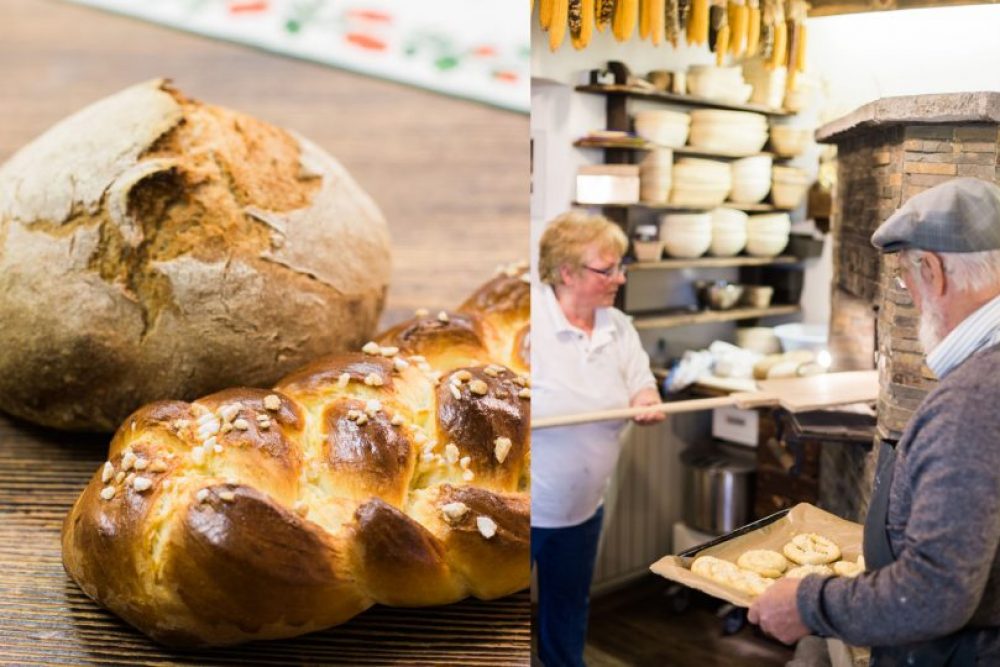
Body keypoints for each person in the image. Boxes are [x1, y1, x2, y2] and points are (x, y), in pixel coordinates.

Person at [749, 177, 1000, 665]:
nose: (912, 296)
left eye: (907, 278)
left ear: (933, 270)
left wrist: (809, 604)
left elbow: (933, 592)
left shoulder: (973, 400)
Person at [531, 211, 665, 667]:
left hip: (582, 510)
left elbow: (641, 382)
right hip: (523, 511)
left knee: (567, 612)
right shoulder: (529, 325)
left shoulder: (618, 326)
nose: (619, 278)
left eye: (620, 267)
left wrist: (646, 399)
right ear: (566, 272)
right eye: (606, 270)